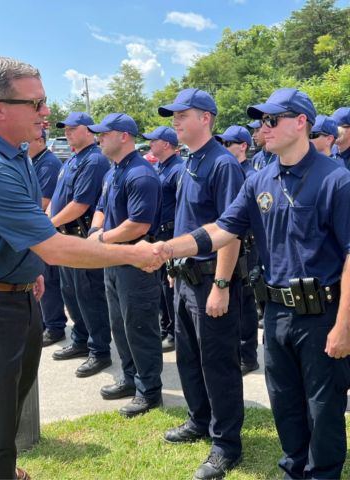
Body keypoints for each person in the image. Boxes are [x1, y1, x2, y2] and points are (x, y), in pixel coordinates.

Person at [0, 57, 166, 480]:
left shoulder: (15, 151)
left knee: (6, 406)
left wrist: (31, 266)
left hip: (15, 293)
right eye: (37, 103)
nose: (47, 113)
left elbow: (32, 224)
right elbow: (56, 247)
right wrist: (134, 253)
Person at [148, 87, 350, 480]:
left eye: (272, 120)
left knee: (323, 407)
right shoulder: (260, 179)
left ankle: (322, 473)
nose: (263, 128)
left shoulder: (336, 180)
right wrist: (166, 249)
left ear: (301, 123)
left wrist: (344, 325)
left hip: (322, 313)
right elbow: (222, 229)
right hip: (275, 311)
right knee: (285, 401)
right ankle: (294, 467)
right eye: (261, 121)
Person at [157, 89, 245, 480]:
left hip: (212, 279)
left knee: (218, 364)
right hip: (187, 278)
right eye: (173, 115)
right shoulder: (192, 159)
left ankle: (226, 444)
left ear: (206, 118)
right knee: (189, 357)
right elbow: (187, 222)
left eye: (182, 114)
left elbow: (232, 230)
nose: (175, 120)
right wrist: (176, 270)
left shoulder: (222, 164)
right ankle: (199, 420)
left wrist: (222, 284)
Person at [87, 113, 164, 417]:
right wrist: (96, 232)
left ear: (124, 137)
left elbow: (139, 225)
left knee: (140, 325)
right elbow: (101, 208)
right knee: (119, 323)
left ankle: (149, 390)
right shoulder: (113, 172)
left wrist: (101, 239)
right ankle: (130, 378)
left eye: (105, 134)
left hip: (135, 260)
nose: (99, 138)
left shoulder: (141, 174)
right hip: (114, 258)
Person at [48, 112, 112, 378]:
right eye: (66, 129)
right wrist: (48, 218)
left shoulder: (94, 160)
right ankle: (80, 340)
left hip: (81, 237)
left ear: (90, 131)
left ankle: (99, 351)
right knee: (71, 293)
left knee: (89, 296)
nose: (67, 133)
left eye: (73, 129)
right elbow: (57, 196)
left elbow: (81, 204)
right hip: (65, 235)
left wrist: (48, 225)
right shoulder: (73, 158)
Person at [215, 125, 260, 375]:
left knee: (245, 300)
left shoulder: (250, 175)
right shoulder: (226, 170)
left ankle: (248, 355)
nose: (224, 148)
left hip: (246, 245)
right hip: (229, 243)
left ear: (243, 146)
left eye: (229, 143)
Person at [141, 126, 183, 352]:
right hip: (158, 234)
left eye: (153, 141)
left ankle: (173, 331)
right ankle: (165, 326)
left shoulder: (178, 169)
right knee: (161, 286)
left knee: (170, 286)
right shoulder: (160, 167)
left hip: (171, 234)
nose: (150, 144)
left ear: (166, 144)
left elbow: (181, 209)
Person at [28, 128, 68, 347]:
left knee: (49, 281)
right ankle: (44, 322)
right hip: (35, 228)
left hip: (45, 229)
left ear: (41, 140)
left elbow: (43, 201)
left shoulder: (48, 164)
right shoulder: (34, 161)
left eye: (29, 140)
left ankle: (54, 326)